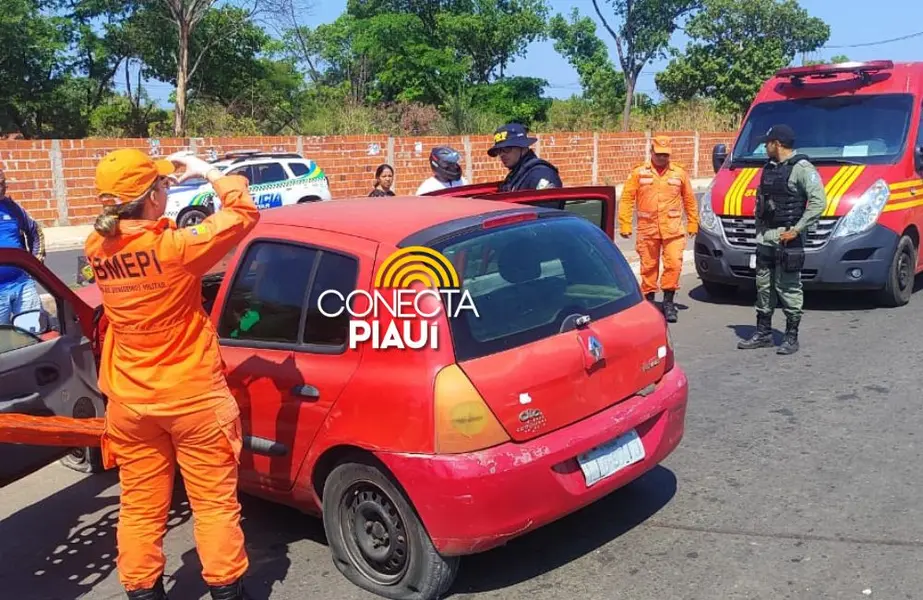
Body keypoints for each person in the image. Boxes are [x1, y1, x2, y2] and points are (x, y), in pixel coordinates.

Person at [85, 148, 260, 600]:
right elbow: (242, 212)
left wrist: (159, 199)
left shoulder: (95, 247)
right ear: (151, 197)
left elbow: (129, 230)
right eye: (162, 185)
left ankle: (143, 591)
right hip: (193, 399)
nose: (167, 188)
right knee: (213, 505)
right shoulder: (176, 248)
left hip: (131, 402)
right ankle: (226, 588)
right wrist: (208, 172)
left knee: (140, 507)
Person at [737, 124, 826, 355]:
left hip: (788, 238)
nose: (765, 147)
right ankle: (763, 333)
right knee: (763, 285)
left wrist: (797, 230)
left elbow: (818, 203)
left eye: (767, 143)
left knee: (789, 287)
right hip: (766, 237)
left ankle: (791, 337)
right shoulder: (769, 168)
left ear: (777, 143)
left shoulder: (802, 168)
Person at [618, 135, 698, 323]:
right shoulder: (639, 173)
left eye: (666, 155)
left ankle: (668, 303)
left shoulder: (679, 173)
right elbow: (627, 198)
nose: (662, 158)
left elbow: (689, 199)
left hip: (673, 229)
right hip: (648, 229)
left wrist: (693, 222)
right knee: (648, 267)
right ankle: (650, 302)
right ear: (651, 152)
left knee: (674, 265)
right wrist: (625, 223)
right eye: (659, 154)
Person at [0, 168, 45, 325]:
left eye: (4, 183)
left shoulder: (12, 208)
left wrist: (35, 264)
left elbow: (34, 230)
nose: (3, 188)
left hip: (22, 284)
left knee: (32, 333)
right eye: (0, 184)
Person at [488, 123, 562, 192]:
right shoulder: (516, 176)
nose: (502, 154)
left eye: (507, 148)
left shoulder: (542, 174)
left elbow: (548, 205)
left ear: (523, 147)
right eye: (499, 151)